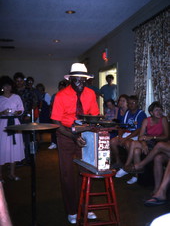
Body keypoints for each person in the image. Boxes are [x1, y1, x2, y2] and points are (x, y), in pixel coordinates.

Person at [51, 63, 100, 224]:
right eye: (77, 80)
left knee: (85, 171)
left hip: (84, 134)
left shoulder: (91, 94)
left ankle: (86, 206)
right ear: (70, 79)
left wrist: (90, 131)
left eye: (83, 80)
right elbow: (56, 122)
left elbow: (94, 116)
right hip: (65, 135)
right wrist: (73, 137)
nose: (80, 83)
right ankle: (72, 210)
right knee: (67, 175)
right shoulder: (61, 95)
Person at [123, 101, 169, 184]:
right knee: (135, 146)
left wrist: (152, 137)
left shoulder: (164, 119)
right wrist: (143, 144)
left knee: (136, 148)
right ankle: (135, 174)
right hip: (148, 142)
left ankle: (127, 168)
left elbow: (166, 136)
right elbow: (140, 137)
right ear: (151, 112)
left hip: (159, 143)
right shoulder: (146, 120)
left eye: (160, 110)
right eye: (156, 110)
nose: (159, 112)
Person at [110, 95, 147, 184]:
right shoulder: (127, 113)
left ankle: (132, 172)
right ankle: (119, 162)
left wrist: (125, 138)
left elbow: (138, 130)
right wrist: (120, 136)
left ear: (137, 103)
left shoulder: (141, 114)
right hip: (127, 134)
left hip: (136, 135)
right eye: (129, 103)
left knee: (127, 144)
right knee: (113, 141)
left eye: (133, 103)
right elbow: (122, 127)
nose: (131, 105)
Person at [0, 76, 25, 181]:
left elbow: (21, 109)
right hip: (3, 124)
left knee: (14, 148)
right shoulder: (0, 98)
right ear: (2, 87)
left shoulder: (16, 97)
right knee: (2, 148)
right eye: (5, 86)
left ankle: (12, 173)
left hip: (15, 123)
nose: (7, 88)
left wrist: (17, 112)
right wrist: (2, 112)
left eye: (9, 85)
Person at [13, 72, 38, 165]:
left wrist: (28, 114)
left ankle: (28, 159)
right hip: (15, 118)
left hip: (26, 117)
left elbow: (35, 102)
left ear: (23, 81)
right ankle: (19, 159)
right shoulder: (13, 91)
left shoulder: (29, 91)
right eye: (17, 81)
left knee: (27, 140)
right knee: (18, 140)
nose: (19, 83)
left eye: (20, 81)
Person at [48, 80, 68, 150]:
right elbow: (51, 105)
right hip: (56, 115)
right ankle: (53, 142)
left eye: (63, 86)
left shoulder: (67, 95)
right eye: (60, 86)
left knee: (63, 130)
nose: (61, 87)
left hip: (64, 116)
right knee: (54, 129)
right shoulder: (55, 95)